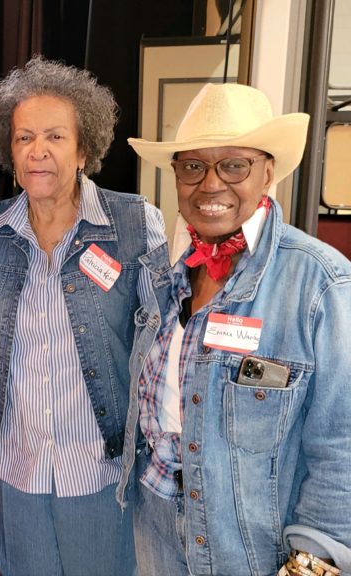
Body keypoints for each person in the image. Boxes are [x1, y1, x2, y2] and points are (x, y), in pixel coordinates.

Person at [117, 82, 351, 575]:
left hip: (251, 547)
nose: (211, 184)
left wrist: (313, 562)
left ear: (267, 172)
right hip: (155, 526)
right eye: (193, 166)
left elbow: (342, 441)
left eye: (234, 165)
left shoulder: (319, 284)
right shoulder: (161, 271)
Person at [0, 56, 165, 575]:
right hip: (12, 471)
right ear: (9, 151)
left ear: (84, 149)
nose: (38, 152)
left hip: (101, 476)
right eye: (24, 138)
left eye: (55, 137)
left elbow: (168, 342)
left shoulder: (134, 224)